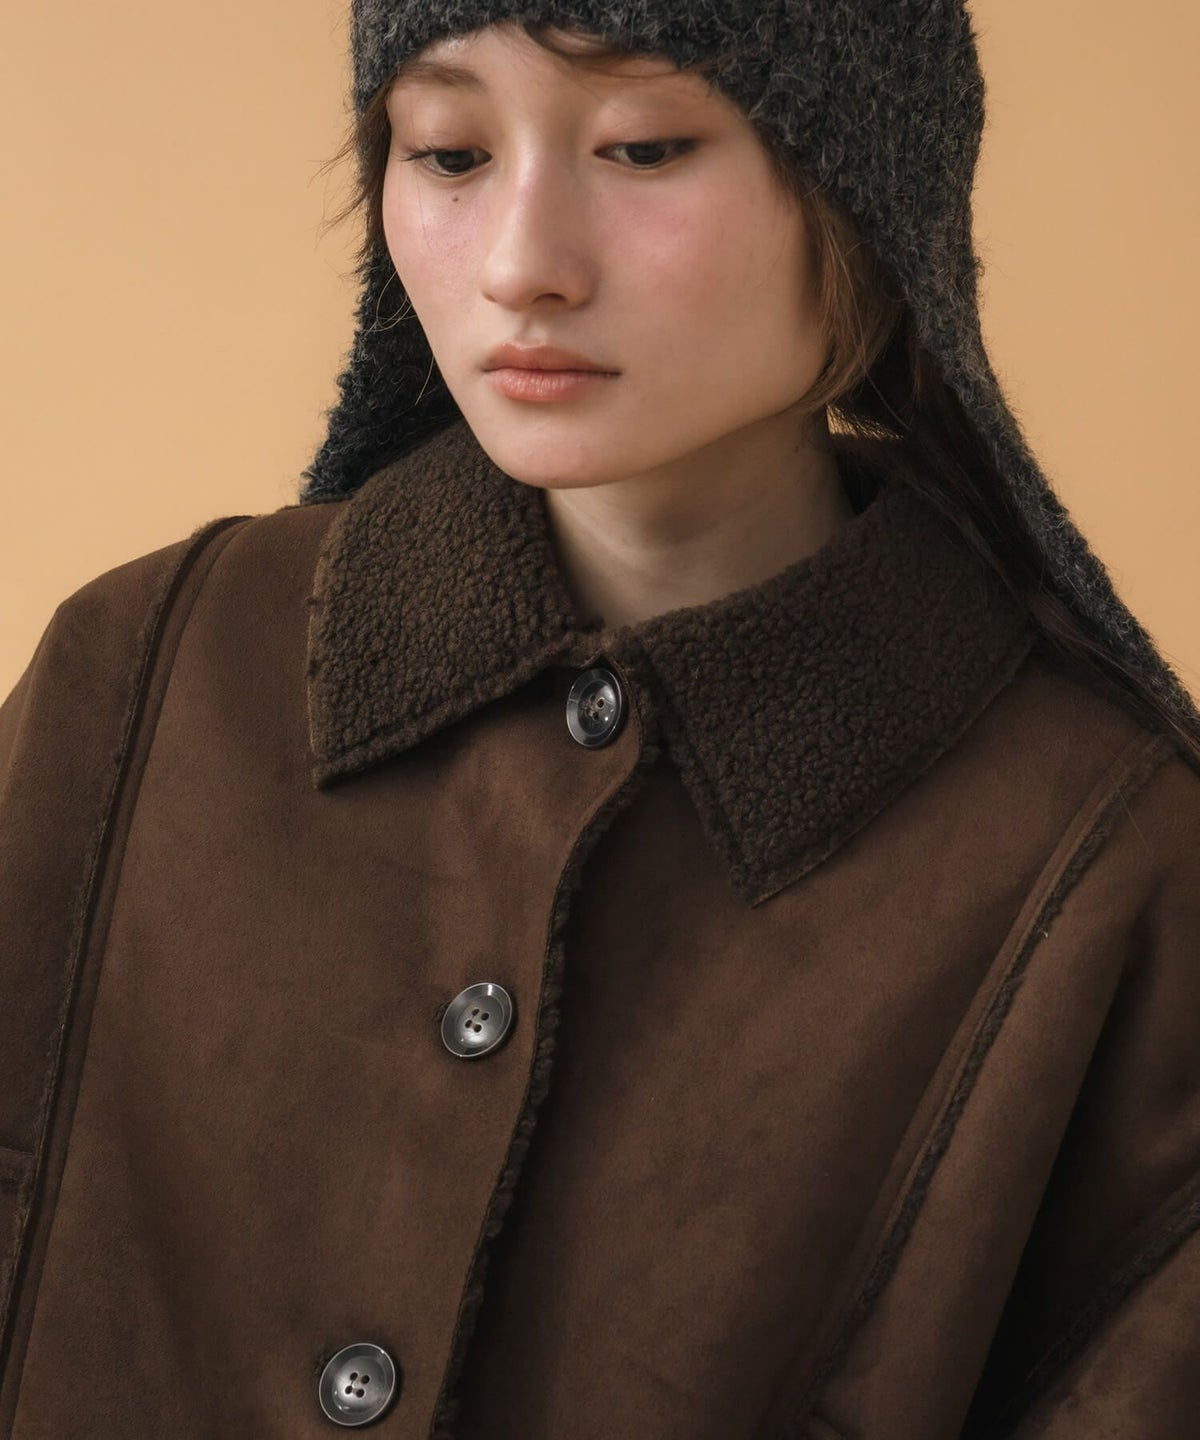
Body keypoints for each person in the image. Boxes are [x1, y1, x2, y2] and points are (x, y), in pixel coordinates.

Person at [1, 5, 1197, 1438]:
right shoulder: (144, 674)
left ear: (868, 187)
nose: (522, 265)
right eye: (449, 153)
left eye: (643, 146)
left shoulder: (1108, 864)